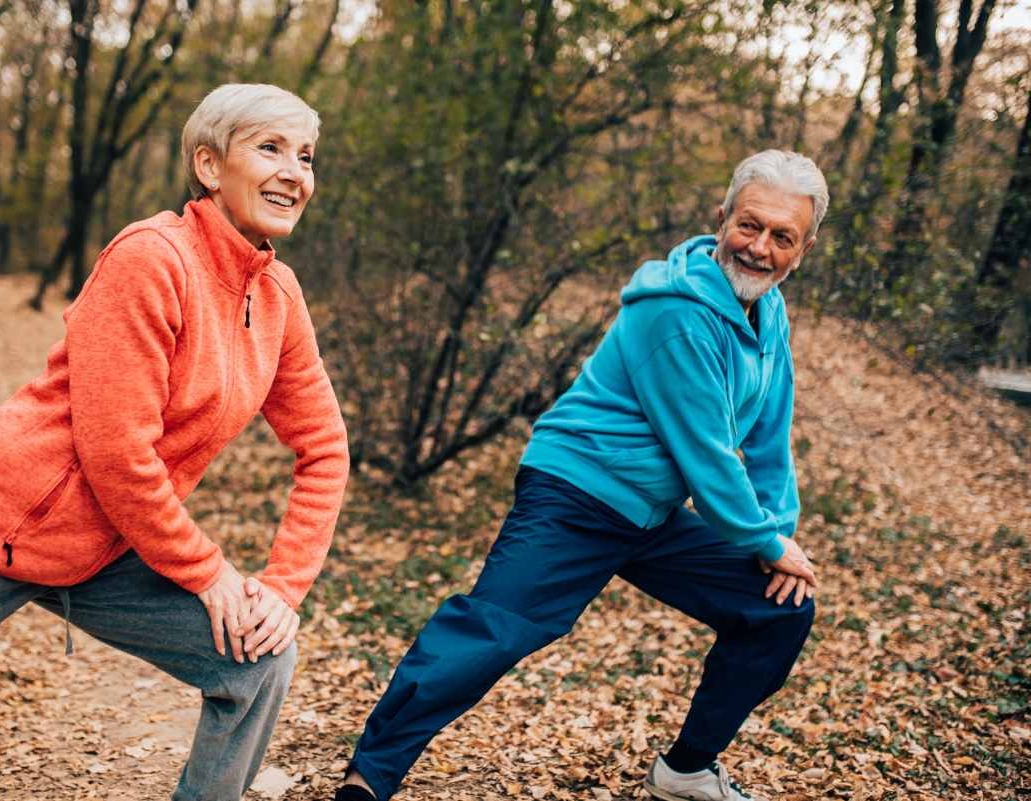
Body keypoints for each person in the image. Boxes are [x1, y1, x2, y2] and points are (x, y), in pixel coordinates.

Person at [0, 83, 350, 801]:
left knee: (259, 657)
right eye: (270, 148)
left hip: (102, 551)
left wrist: (283, 586)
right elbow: (118, 454)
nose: (296, 172)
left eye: (307, 155)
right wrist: (211, 572)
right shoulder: (151, 258)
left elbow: (324, 448)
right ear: (208, 164)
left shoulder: (278, 297)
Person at [333, 150, 828, 801]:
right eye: (749, 225)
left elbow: (769, 435)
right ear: (721, 218)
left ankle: (685, 769)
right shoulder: (674, 310)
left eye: (781, 236)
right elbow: (707, 454)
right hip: (577, 492)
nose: (759, 247)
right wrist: (765, 541)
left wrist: (777, 542)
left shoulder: (767, 315)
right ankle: (370, 774)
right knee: (494, 628)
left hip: (649, 515)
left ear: (804, 248)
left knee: (778, 611)